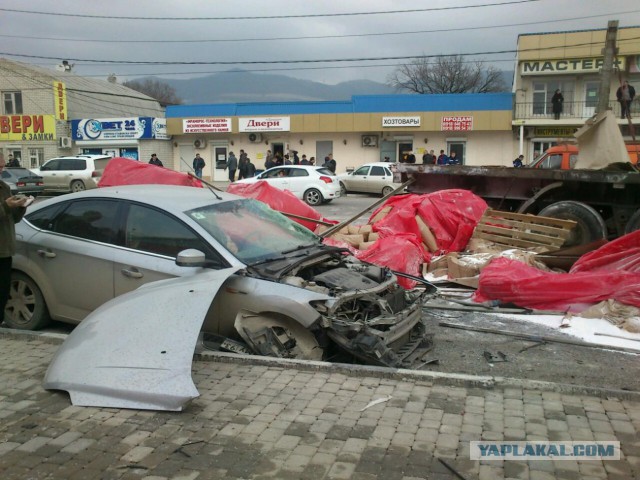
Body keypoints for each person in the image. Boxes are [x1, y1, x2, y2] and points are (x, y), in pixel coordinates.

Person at [0, 154, 29, 326]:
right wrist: (6, 206)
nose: (1, 169)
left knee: (3, 292)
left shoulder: (4, 187)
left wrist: (21, 208)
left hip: (5, 249)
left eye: (2, 165)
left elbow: (12, 219)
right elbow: (4, 209)